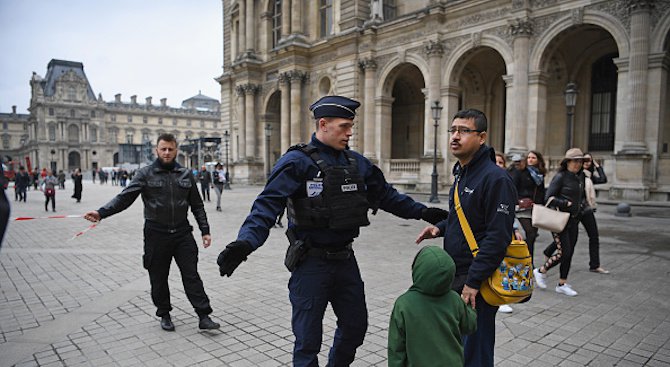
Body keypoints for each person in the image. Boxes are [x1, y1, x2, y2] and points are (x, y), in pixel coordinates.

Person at [216, 95, 448, 367]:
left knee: (355, 327)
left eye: (351, 126)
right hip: (310, 263)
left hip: (345, 262)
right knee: (307, 342)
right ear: (323, 124)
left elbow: (387, 196)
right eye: (344, 126)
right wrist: (246, 243)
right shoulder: (296, 162)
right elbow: (267, 206)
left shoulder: (357, 163)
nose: (350, 132)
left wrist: (422, 212)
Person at [83, 133, 220, 332]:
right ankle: (164, 314)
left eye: (170, 149)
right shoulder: (145, 174)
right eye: (163, 149)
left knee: (191, 275)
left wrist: (205, 231)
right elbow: (125, 198)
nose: (166, 152)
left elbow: (197, 205)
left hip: (182, 233)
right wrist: (101, 213)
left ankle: (203, 315)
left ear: (176, 150)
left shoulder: (185, 174)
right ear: (157, 150)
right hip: (156, 234)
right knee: (158, 277)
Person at [415, 108, 516, 367]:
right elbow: (464, 217)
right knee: (457, 347)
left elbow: (498, 237)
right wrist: (440, 227)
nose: (455, 136)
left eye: (463, 131)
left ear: (481, 137)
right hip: (456, 276)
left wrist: (473, 282)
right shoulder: (463, 172)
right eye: (453, 130)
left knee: (476, 351)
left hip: (476, 282)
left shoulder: (496, 178)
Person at [387, 245, 477, 367]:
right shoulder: (455, 299)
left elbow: (396, 347)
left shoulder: (404, 304)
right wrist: (470, 308)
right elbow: (470, 326)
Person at [533, 148, 587, 297]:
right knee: (565, 252)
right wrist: (565, 203)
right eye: (575, 161)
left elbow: (581, 195)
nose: (578, 164)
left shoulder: (580, 177)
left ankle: (562, 283)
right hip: (560, 220)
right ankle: (540, 271)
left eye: (580, 161)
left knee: (569, 254)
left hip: (574, 220)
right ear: (567, 162)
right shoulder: (561, 177)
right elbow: (548, 198)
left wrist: (581, 205)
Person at [508, 152, 546, 262]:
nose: (530, 160)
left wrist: (539, 203)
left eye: (533, 158)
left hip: (534, 207)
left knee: (532, 236)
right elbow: (512, 188)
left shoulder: (537, 173)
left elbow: (540, 191)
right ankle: (527, 259)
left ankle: (529, 259)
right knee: (530, 232)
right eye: (529, 157)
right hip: (521, 208)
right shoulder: (517, 172)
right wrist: (518, 201)